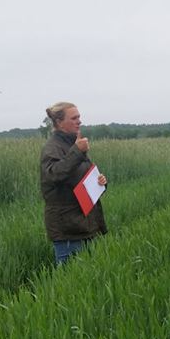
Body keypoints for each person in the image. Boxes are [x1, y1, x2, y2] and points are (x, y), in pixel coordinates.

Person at [40, 102, 108, 265]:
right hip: (68, 230)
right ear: (59, 122)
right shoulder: (53, 148)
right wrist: (77, 151)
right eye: (74, 118)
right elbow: (53, 175)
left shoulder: (74, 145)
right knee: (69, 284)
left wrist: (100, 182)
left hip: (86, 225)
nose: (79, 121)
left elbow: (81, 178)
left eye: (79, 117)